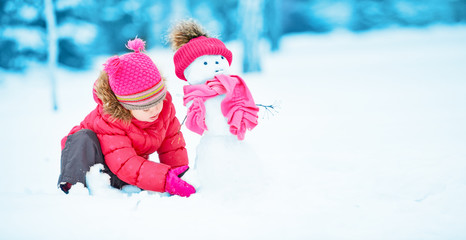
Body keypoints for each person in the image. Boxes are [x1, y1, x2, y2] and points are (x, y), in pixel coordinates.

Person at [57, 37, 195, 197]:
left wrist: (179, 175)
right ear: (127, 107)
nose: (155, 110)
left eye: (158, 101)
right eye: (146, 107)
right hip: (96, 163)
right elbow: (124, 163)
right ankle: (73, 188)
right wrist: (165, 180)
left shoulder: (163, 110)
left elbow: (173, 145)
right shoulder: (111, 120)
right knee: (82, 137)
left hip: (125, 168)